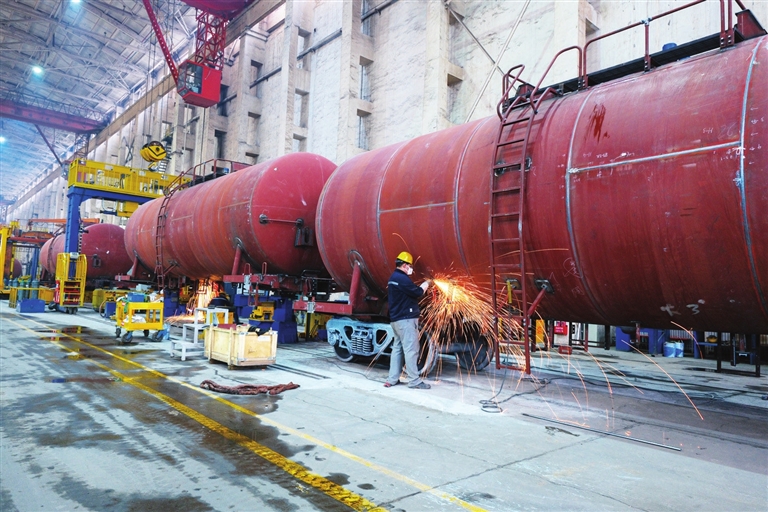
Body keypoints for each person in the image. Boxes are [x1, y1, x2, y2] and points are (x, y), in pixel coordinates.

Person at [384, 251, 431, 389]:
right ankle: (414, 381)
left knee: (397, 349)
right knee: (411, 350)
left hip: (396, 320)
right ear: (404, 265)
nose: (411, 268)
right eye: (410, 266)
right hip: (405, 320)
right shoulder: (402, 278)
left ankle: (392, 379)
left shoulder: (393, 277)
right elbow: (417, 292)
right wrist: (427, 283)